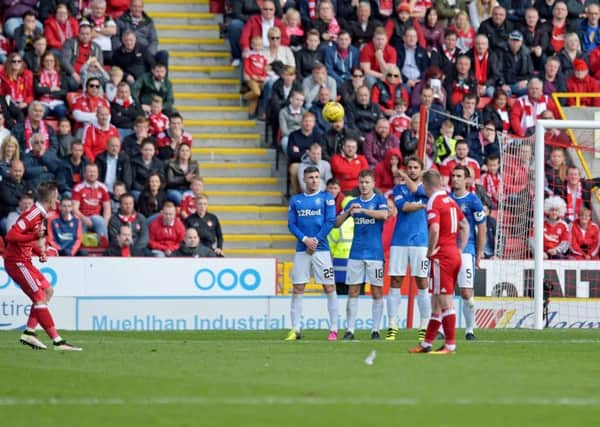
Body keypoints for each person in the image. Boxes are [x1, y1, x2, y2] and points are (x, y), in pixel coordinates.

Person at [3, 181, 82, 351]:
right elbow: (11, 235)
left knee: (47, 291)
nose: (58, 200)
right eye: (57, 196)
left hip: (25, 261)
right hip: (16, 262)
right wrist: (32, 236)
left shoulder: (41, 215)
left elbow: (25, 240)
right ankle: (57, 341)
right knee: (39, 297)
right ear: (52, 198)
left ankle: (29, 333)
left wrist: (40, 253)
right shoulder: (33, 214)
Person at [409, 169, 469, 355]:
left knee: (444, 300)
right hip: (453, 253)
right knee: (436, 301)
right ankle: (427, 344)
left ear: (426, 185)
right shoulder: (450, 200)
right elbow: (465, 225)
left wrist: (429, 251)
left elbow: (434, 228)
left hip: (442, 256)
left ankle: (450, 345)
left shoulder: (433, 201)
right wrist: (459, 249)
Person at [286, 166, 338, 340]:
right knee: (298, 288)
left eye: (317, 177)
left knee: (329, 286)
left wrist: (315, 240)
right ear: (304, 179)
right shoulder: (296, 200)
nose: (315, 180)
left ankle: (334, 329)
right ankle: (295, 329)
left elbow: (330, 221)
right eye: (311, 177)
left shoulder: (327, 198)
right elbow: (292, 225)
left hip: (322, 250)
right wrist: (305, 240)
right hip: (302, 250)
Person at [336, 169, 389, 340]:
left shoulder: (379, 200)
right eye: (361, 182)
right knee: (353, 290)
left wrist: (364, 211)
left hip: (375, 254)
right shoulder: (353, 202)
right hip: (356, 253)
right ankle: (350, 330)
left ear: (373, 184)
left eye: (367, 182)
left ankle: (376, 330)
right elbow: (336, 224)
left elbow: (384, 215)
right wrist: (348, 211)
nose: (364, 185)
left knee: (376, 291)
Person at [386, 156, 430, 340]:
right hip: (400, 240)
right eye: (409, 168)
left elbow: (419, 193)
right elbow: (403, 207)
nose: (412, 170)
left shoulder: (426, 189)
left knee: (421, 281)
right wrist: (421, 205)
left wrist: (402, 173)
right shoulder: (398, 188)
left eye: (415, 168)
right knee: (396, 280)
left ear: (421, 170)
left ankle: (425, 324)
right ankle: (392, 323)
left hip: (421, 241)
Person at [450, 165, 487, 340]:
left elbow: (482, 228)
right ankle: (444, 329)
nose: (455, 179)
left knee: (466, 292)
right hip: (447, 250)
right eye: (453, 175)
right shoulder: (447, 199)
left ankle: (469, 329)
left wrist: (479, 254)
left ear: (467, 180)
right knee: (445, 292)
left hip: (467, 250)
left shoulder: (473, 201)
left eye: (459, 176)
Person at [72, 163, 111, 243]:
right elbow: (74, 209)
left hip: (96, 217)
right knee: (79, 223)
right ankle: (80, 248)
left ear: (97, 173)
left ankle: (104, 246)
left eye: (94, 172)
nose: (92, 174)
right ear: (85, 174)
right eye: (90, 172)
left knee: (100, 220)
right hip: (81, 216)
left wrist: (105, 222)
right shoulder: (78, 188)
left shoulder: (103, 188)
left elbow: (107, 208)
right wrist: (84, 218)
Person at [59, 20, 103, 89]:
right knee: (72, 83)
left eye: (87, 34)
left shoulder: (97, 47)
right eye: (82, 34)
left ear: (91, 34)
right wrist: (74, 74)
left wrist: (90, 76)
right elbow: (64, 61)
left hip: (90, 75)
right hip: (73, 74)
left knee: (102, 82)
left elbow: (100, 63)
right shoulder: (70, 43)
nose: (85, 36)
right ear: (78, 33)